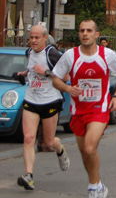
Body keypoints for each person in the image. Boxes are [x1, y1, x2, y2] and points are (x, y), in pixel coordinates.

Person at [52, 20, 116, 198]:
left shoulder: (107, 54)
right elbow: (55, 79)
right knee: (84, 154)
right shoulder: (71, 55)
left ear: (96, 34)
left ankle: (93, 187)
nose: (85, 33)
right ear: (79, 34)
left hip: (99, 109)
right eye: (81, 31)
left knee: (89, 148)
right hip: (78, 110)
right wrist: (68, 89)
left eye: (88, 30)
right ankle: (98, 183)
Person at [13, 25, 69, 191]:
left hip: (50, 101)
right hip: (32, 99)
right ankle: (29, 176)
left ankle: (60, 149)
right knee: (29, 138)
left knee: (49, 143)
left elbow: (65, 77)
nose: (33, 41)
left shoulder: (52, 54)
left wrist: (46, 73)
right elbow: (32, 69)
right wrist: (23, 74)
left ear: (45, 38)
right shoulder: (29, 52)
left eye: (37, 37)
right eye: (31, 37)